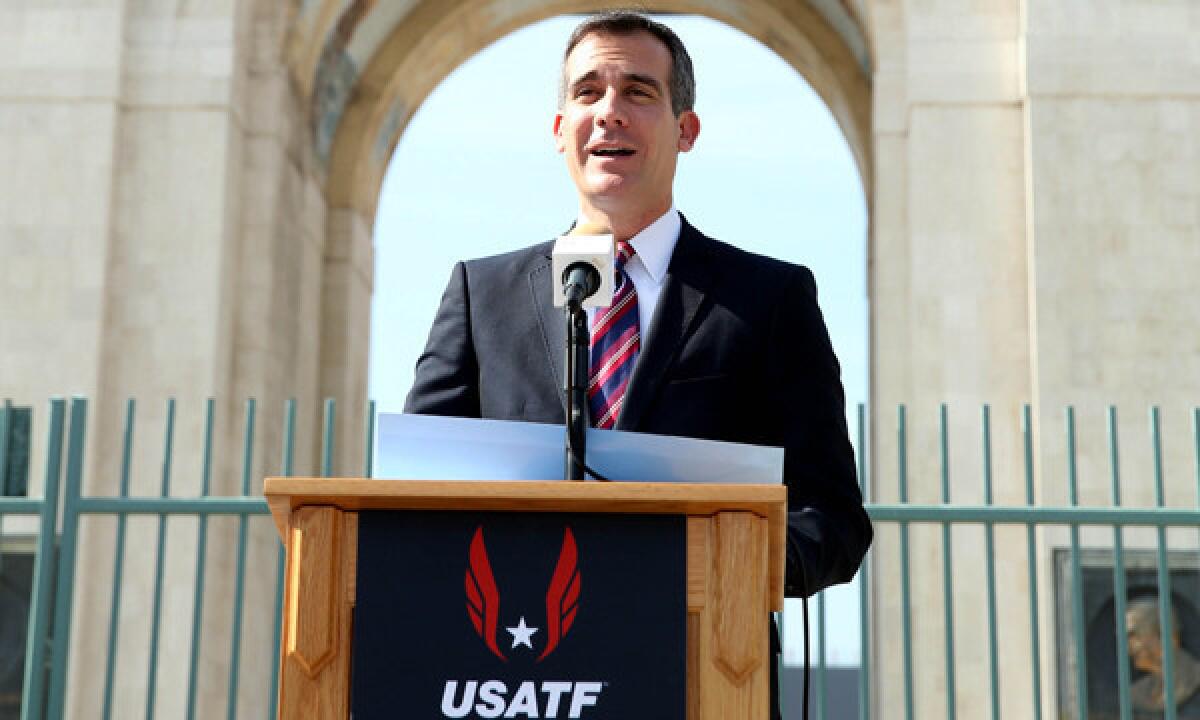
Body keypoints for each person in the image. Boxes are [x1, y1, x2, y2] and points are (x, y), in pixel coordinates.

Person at [404, 11, 872, 717]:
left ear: (686, 130)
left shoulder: (768, 299)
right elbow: (416, 498)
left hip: (706, 671)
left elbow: (832, 519)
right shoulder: (481, 294)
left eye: (639, 93)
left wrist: (729, 564)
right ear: (558, 129)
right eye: (587, 92)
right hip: (513, 674)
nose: (609, 113)